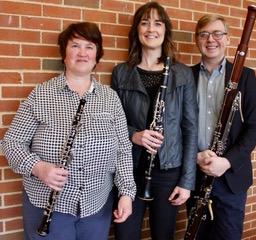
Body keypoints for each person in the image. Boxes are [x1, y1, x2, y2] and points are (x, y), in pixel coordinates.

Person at [1, 22, 136, 240]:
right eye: (75, 46)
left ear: (97, 56)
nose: (82, 53)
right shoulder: (41, 95)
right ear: (64, 54)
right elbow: (11, 143)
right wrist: (39, 168)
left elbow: (123, 148)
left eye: (89, 47)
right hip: (47, 206)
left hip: (96, 205)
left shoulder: (110, 98)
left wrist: (126, 193)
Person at [111, 2, 198, 240]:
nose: (151, 29)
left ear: (165, 30)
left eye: (157, 23)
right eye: (145, 22)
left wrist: (187, 181)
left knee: (164, 236)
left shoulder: (182, 73)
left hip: (169, 171)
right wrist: (134, 135)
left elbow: (190, 128)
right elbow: (112, 123)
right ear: (137, 30)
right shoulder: (121, 72)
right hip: (129, 169)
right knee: (125, 234)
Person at [187, 14, 256, 240]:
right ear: (197, 40)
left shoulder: (246, 77)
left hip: (231, 178)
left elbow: (254, 127)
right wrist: (195, 156)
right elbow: (178, 128)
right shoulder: (185, 77)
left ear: (228, 39)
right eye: (204, 34)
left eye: (218, 33)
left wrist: (227, 161)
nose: (211, 39)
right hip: (196, 173)